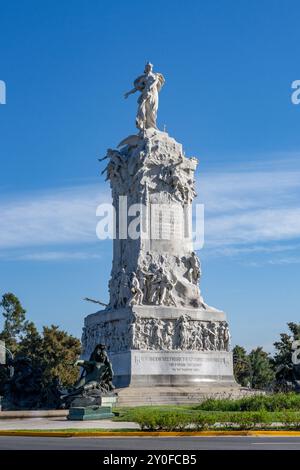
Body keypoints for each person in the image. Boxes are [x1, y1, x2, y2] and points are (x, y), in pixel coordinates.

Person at [124, 62, 165, 130]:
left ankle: (152, 126)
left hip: (153, 93)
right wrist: (128, 93)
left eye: (149, 66)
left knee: (152, 110)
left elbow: (155, 82)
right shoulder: (143, 78)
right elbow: (137, 88)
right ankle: (144, 124)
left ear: (151, 68)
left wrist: (150, 87)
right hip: (146, 93)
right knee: (143, 108)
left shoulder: (155, 76)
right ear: (145, 68)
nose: (148, 67)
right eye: (147, 66)